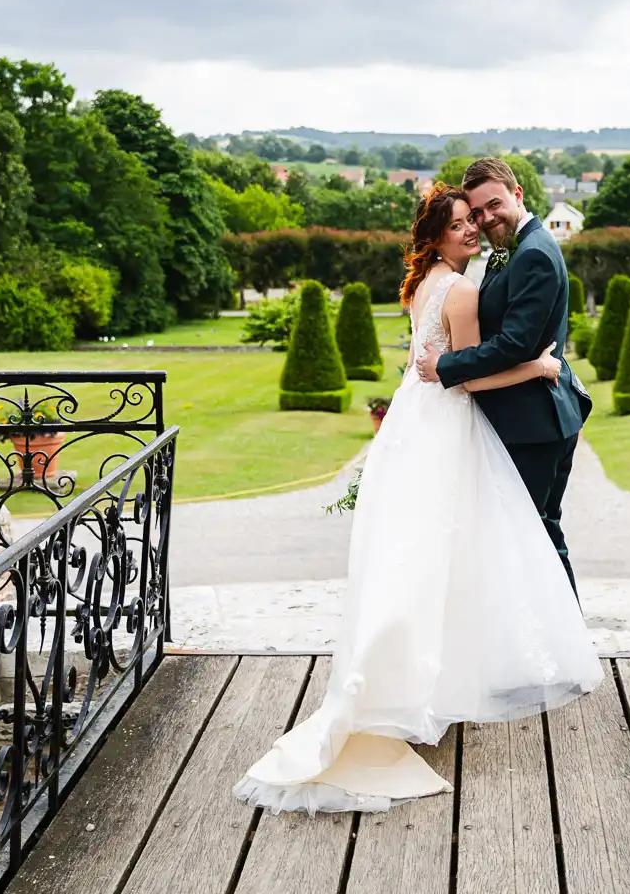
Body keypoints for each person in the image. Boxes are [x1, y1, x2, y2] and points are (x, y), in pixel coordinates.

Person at [233, 183, 602, 815]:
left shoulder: (425, 284)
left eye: (474, 219)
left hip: (414, 424)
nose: (472, 230)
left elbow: (429, 365)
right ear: (435, 236)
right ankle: (458, 674)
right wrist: (545, 368)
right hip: (448, 423)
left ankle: (418, 676)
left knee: (419, 552)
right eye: (460, 223)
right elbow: (474, 369)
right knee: (464, 547)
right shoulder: (459, 289)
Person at [416, 157, 592, 596]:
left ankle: (564, 643)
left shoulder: (533, 252)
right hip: (521, 415)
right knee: (525, 536)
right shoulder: (514, 246)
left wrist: (445, 367)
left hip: (531, 420)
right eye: (475, 214)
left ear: (517, 194)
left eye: (493, 205)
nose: (485, 218)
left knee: (536, 535)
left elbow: (514, 343)